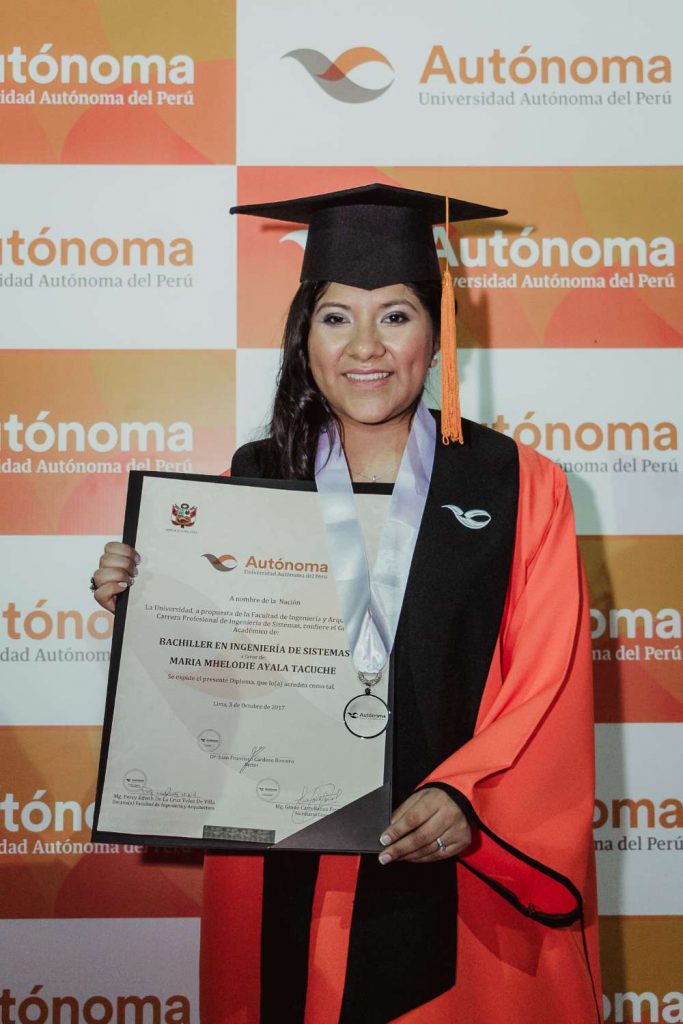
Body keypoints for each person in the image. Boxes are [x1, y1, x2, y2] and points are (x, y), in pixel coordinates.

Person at [91, 184, 603, 1024]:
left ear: (436, 333)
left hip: (449, 854)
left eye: (395, 316)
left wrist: (468, 797)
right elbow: (227, 665)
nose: (366, 346)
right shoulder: (253, 475)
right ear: (304, 338)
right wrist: (151, 607)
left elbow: (548, 679)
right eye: (335, 318)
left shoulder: (514, 484)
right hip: (285, 846)